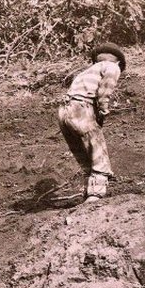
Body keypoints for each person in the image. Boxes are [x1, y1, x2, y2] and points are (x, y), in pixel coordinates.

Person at [57, 42, 124, 204]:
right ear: (118, 61)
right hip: (81, 109)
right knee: (98, 152)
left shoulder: (85, 72)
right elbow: (105, 89)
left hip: (63, 111)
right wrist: (103, 108)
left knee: (83, 154)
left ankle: (87, 191)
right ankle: (96, 195)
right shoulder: (113, 67)